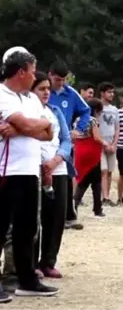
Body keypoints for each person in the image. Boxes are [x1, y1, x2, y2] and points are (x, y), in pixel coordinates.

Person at [0, 47, 59, 302]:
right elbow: (30, 125)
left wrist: (24, 128)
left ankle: (27, 280)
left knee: (27, 228)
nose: (35, 77)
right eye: (33, 72)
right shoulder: (2, 95)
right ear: (21, 72)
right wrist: (30, 126)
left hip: (29, 170)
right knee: (1, 227)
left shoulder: (32, 99)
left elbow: (49, 131)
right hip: (5, 170)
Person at [30, 71, 75, 279]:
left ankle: (49, 261)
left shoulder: (55, 111)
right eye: (42, 88)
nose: (47, 92)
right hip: (35, 170)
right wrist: (43, 165)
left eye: (48, 88)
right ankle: (30, 263)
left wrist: (56, 160)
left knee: (56, 217)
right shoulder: (27, 113)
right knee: (34, 218)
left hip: (58, 169)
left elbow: (66, 140)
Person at [48, 61, 90, 230]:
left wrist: (78, 129)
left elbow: (86, 110)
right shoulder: (41, 91)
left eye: (64, 79)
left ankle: (68, 215)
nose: (61, 83)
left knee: (65, 177)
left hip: (64, 143)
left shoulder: (71, 94)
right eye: (58, 79)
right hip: (44, 140)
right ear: (50, 75)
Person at [72, 98, 106, 217]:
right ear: (96, 110)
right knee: (95, 182)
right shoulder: (92, 121)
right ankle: (97, 208)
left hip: (80, 151)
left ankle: (74, 205)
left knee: (81, 178)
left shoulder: (77, 120)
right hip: (92, 153)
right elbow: (96, 137)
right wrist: (106, 143)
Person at [97, 82, 119, 206]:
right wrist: (104, 144)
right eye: (109, 92)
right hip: (100, 145)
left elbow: (117, 128)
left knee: (109, 171)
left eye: (112, 92)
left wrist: (114, 144)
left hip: (111, 145)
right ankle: (104, 197)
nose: (112, 94)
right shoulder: (97, 108)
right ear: (102, 93)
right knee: (103, 170)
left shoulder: (114, 110)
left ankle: (107, 195)